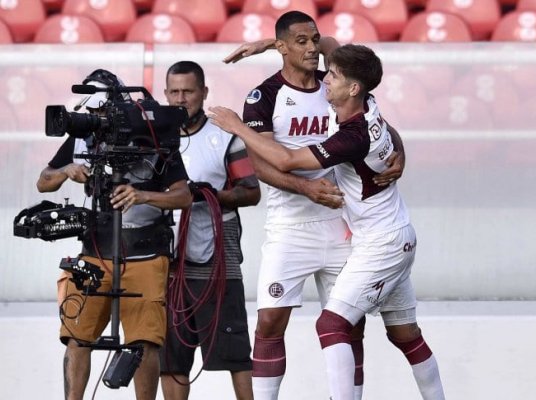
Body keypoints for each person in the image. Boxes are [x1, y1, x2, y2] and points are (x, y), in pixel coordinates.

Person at [208, 44, 446, 400]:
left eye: (332, 76)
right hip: (395, 235)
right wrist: (273, 44)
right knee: (405, 335)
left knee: (331, 324)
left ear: (353, 87)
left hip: (381, 244)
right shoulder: (367, 104)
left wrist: (237, 127)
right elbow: (339, 51)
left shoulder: (352, 136)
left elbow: (287, 160)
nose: (325, 79)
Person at [37, 69, 192, 400]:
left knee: (144, 342)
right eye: (91, 112)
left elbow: (183, 196)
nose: (96, 118)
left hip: (147, 252)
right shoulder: (82, 134)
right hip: (95, 249)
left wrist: (143, 195)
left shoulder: (154, 133)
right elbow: (43, 180)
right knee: (78, 337)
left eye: (102, 111)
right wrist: (66, 171)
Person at [158, 61, 260, 400]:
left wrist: (210, 196)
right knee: (171, 354)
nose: (181, 99)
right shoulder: (154, 139)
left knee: (234, 350)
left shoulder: (225, 136)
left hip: (219, 260)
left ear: (204, 93)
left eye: (188, 91)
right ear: (165, 94)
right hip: (168, 264)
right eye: (174, 91)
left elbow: (251, 190)